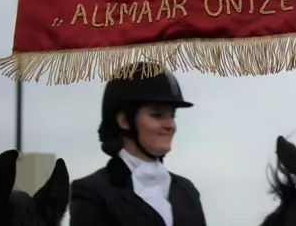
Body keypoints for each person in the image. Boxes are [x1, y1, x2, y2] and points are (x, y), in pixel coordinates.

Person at [70, 61, 208, 226]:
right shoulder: (91, 192)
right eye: (157, 115)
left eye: (172, 115)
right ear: (124, 121)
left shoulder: (187, 191)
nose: (170, 125)